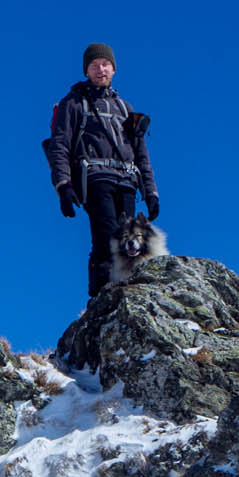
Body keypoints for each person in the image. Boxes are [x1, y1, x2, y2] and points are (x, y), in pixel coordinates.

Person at [43, 43, 159, 298]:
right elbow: (59, 145)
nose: (100, 69)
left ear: (114, 70)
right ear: (86, 70)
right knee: (106, 236)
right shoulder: (73, 103)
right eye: (94, 65)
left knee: (130, 242)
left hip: (127, 182)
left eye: (105, 64)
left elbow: (141, 153)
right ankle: (101, 297)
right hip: (95, 180)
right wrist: (63, 185)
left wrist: (151, 192)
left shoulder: (125, 108)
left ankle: (124, 291)